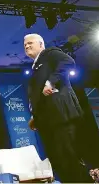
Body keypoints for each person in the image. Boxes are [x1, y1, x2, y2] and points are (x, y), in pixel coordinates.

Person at [23, 33, 90, 183]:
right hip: (47, 121)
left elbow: (68, 61)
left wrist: (51, 82)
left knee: (69, 157)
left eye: (30, 43)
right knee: (58, 161)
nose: (27, 46)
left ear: (41, 44)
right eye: (25, 45)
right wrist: (35, 115)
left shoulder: (49, 53)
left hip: (61, 116)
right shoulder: (35, 66)